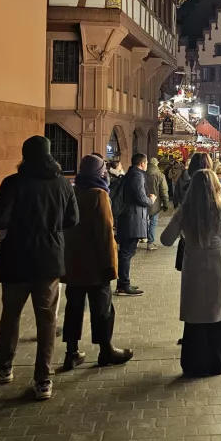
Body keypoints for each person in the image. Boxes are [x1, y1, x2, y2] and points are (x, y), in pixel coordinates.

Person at [0, 136, 79, 400]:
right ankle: (43, 379)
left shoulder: (13, 183)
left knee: (11, 315)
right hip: (48, 258)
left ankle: (4, 365)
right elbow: (72, 219)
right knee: (47, 320)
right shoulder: (62, 183)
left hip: (16, 255)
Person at [161, 169, 221, 377]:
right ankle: (217, 363)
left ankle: (194, 363)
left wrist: (186, 237)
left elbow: (166, 239)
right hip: (217, 265)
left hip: (193, 265)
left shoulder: (185, 210)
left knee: (195, 315)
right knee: (218, 313)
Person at [62, 155, 133, 370]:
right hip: (94, 264)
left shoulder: (73, 190)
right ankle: (106, 349)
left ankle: (71, 352)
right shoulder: (99, 194)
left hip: (73, 262)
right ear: (100, 172)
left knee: (74, 307)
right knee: (102, 308)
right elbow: (104, 233)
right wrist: (111, 266)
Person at [115, 153, 155, 295]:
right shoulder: (137, 176)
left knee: (127, 252)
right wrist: (151, 200)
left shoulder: (131, 174)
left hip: (129, 218)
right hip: (132, 219)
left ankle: (123, 283)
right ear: (142, 163)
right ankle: (123, 285)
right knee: (126, 252)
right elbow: (141, 198)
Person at [145, 157, 170, 251]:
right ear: (156, 164)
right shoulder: (160, 175)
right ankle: (150, 242)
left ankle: (143, 237)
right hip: (155, 203)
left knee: (144, 221)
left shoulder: (143, 174)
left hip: (143, 201)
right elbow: (164, 191)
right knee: (153, 222)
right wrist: (166, 204)